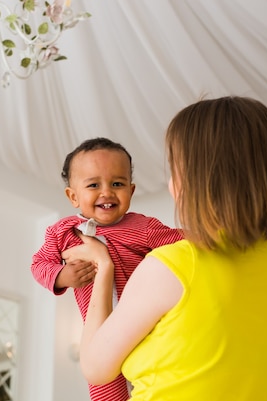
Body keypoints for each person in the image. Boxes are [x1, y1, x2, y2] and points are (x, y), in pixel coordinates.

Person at [64, 97, 267, 400]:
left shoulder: (173, 265)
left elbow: (95, 367)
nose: (170, 185)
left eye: (176, 169)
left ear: (201, 178)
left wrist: (103, 265)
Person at [31, 137, 183, 401]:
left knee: (155, 382)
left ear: (131, 191)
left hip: (142, 325)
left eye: (117, 184)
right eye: (93, 185)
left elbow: (183, 241)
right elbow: (38, 265)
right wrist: (62, 276)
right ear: (73, 196)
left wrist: (217, 233)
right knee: (105, 389)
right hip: (98, 333)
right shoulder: (62, 233)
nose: (107, 192)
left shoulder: (143, 228)